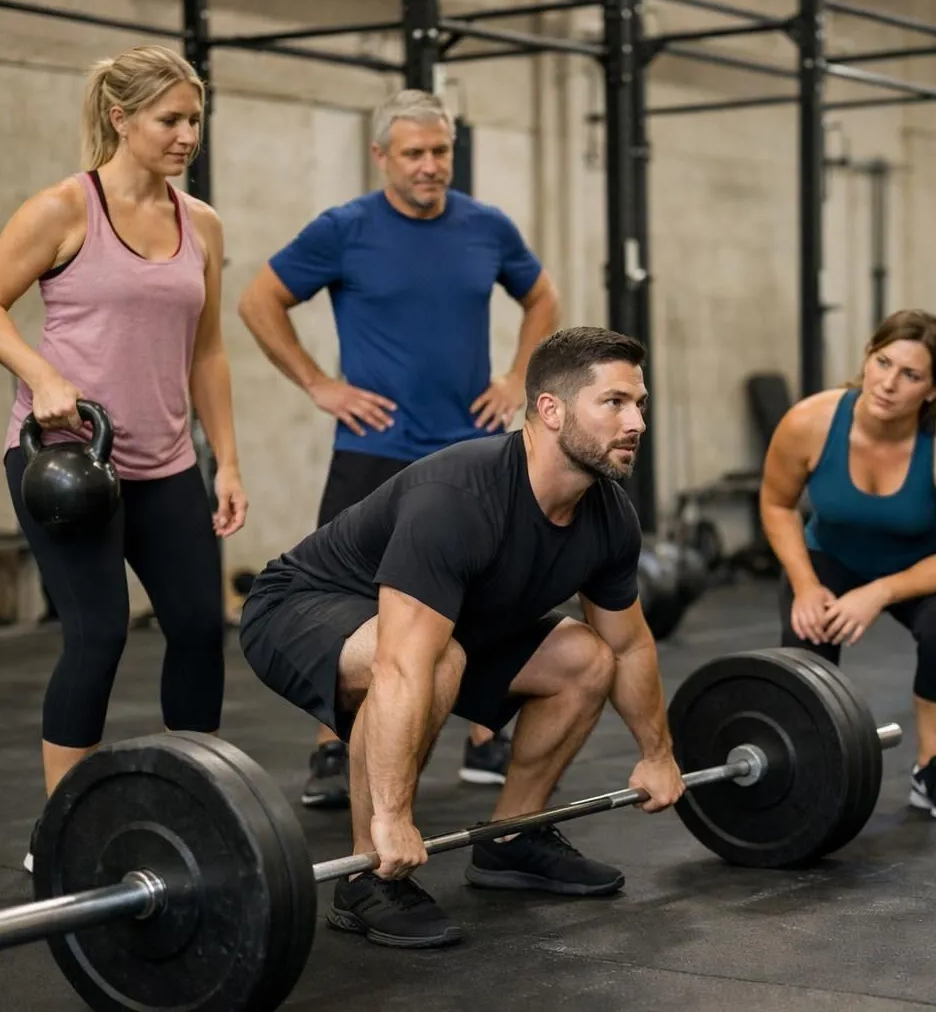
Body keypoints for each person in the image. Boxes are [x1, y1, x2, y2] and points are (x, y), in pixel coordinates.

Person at [238, 325, 684, 949]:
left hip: (449, 623)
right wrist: (393, 818)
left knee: (586, 658)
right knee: (432, 662)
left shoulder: (608, 515)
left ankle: (512, 837)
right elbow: (399, 666)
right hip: (302, 607)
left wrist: (657, 753)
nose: (636, 421)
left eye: (640, 404)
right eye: (614, 403)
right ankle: (370, 877)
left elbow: (631, 645)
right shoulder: (461, 497)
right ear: (550, 411)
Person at [0, 45, 246, 869]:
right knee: (98, 634)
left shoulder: (204, 223)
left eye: (195, 119)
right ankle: (62, 832)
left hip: (165, 463)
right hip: (67, 464)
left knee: (197, 627)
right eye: (169, 120)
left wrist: (225, 461)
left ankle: (191, 806)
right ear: (121, 118)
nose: (186, 134)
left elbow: (209, 352)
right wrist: (41, 373)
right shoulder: (62, 208)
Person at [237, 88, 561, 807]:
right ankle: (334, 745)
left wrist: (515, 376)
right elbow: (260, 300)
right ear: (381, 155)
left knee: (488, 590)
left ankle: (485, 734)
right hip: (374, 450)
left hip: (472, 451)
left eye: (440, 151)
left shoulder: (488, 227)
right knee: (350, 597)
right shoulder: (343, 229)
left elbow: (542, 299)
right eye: (413, 153)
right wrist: (320, 383)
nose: (429, 166)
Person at [759, 309, 936, 821]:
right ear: (867, 356)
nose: (889, 383)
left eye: (910, 375)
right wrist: (804, 584)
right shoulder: (810, 423)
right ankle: (811, 769)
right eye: (883, 362)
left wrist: (878, 593)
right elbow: (777, 505)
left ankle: (933, 769)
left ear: (933, 389)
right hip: (831, 559)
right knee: (806, 649)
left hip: (925, 568)